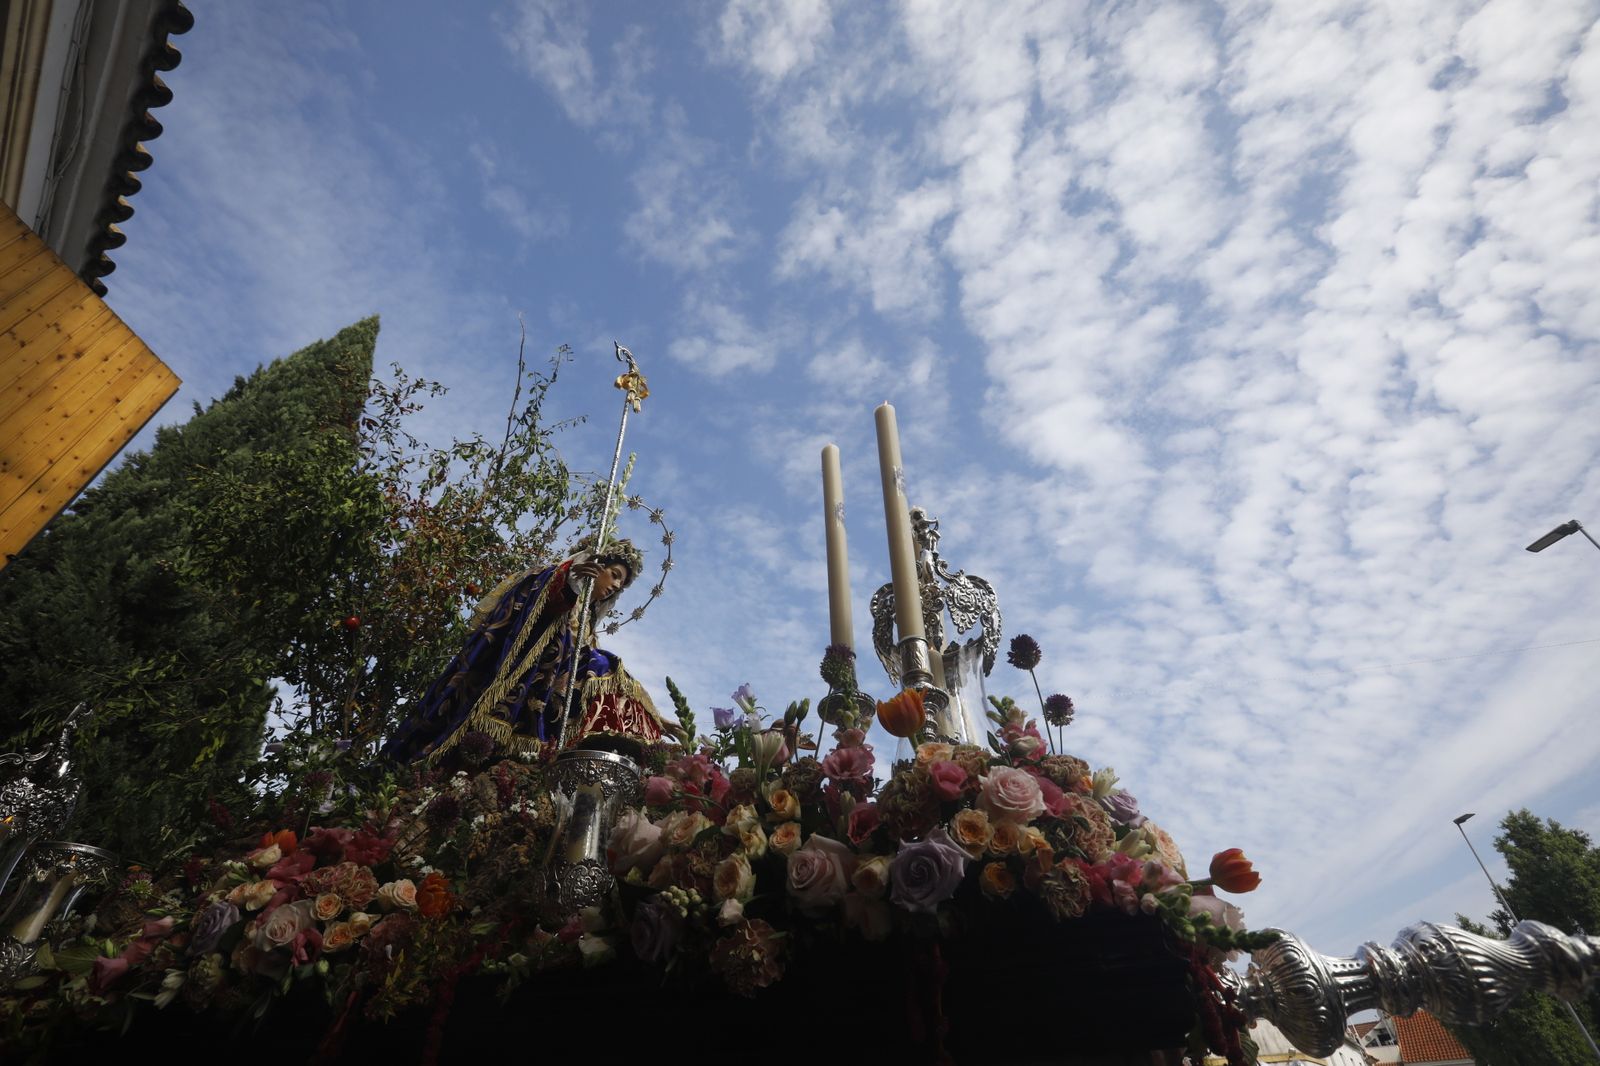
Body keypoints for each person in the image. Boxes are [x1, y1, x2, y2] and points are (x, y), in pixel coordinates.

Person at [380, 538, 665, 765]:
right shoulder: (553, 578)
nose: (615, 586)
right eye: (614, 575)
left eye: (621, 585)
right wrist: (569, 584)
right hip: (515, 686)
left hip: (550, 698)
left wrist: (649, 712)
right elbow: (539, 611)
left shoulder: (588, 621)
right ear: (595, 563)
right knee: (603, 664)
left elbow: (584, 666)